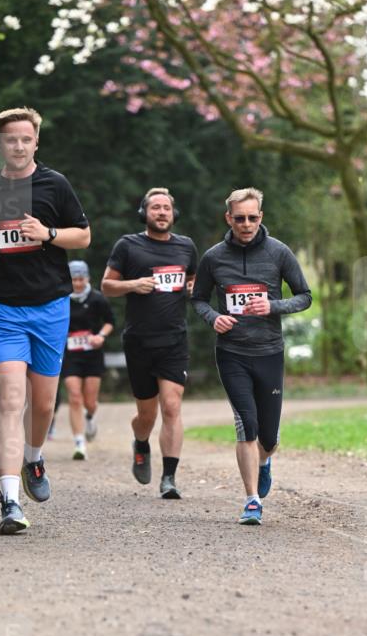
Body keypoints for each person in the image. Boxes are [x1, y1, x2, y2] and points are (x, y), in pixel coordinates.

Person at [0, 106, 91, 535]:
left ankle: (34, 456)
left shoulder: (55, 184)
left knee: (44, 405)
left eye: (25, 139)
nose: (18, 145)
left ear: (36, 142)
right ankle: (10, 501)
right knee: (10, 401)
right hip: (3, 310)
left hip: (51, 307)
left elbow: (84, 235)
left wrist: (48, 234)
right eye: (10, 139)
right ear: (0, 143)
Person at [192, 187, 311, 525]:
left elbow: (305, 296)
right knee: (247, 425)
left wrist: (273, 305)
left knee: (269, 438)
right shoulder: (214, 257)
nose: (246, 224)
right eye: (240, 218)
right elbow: (199, 299)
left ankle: (264, 462)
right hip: (232, 353)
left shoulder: (279, 253)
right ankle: (252, 500)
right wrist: (213, 317)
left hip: (269, 352)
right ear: (229, 218)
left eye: (253, 218)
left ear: (261, 217)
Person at [102, 187, 198, 499]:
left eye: (166, 208)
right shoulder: (128, 245)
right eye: (155, 207)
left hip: (174, 339)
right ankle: (140, 443)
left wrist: (192, 289)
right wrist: (133, 284)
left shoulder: (186, 247)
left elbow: (193, 283)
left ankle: (169, 477)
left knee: (172, 406)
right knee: (147, 414)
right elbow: (106, 286)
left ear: (173, 214)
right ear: (145, 213)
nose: (161, 212)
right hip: (139, 340)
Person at [62, 260, 115, 460]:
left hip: (92, 354)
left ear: (87, 278)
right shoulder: (61, 299)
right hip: (71, 354)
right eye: (74, 279)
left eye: (81, 279)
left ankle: (90, 417)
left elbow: (110, 322)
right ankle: (79, 442)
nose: (77, 283)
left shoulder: (97, 299)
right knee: (75, 397)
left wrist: (100, 336)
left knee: (90, 401)